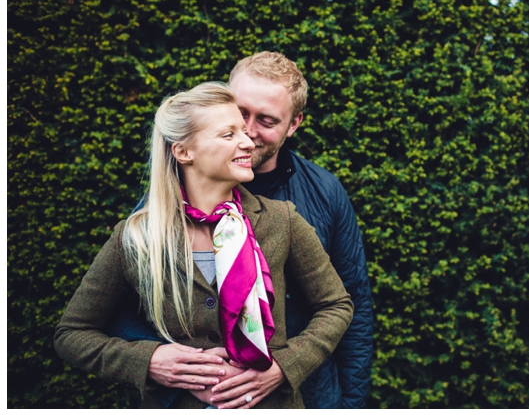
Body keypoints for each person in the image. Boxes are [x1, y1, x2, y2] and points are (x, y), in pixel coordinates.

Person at [55, 82, 354, 409]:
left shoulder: (281, 220)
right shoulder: (138, 237)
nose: (247, 141)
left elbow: (336, 305)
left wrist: (284, 366)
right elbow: (72, 334)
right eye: (229, 135)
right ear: (184, 152)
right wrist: (150, 361)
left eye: (243, 131)